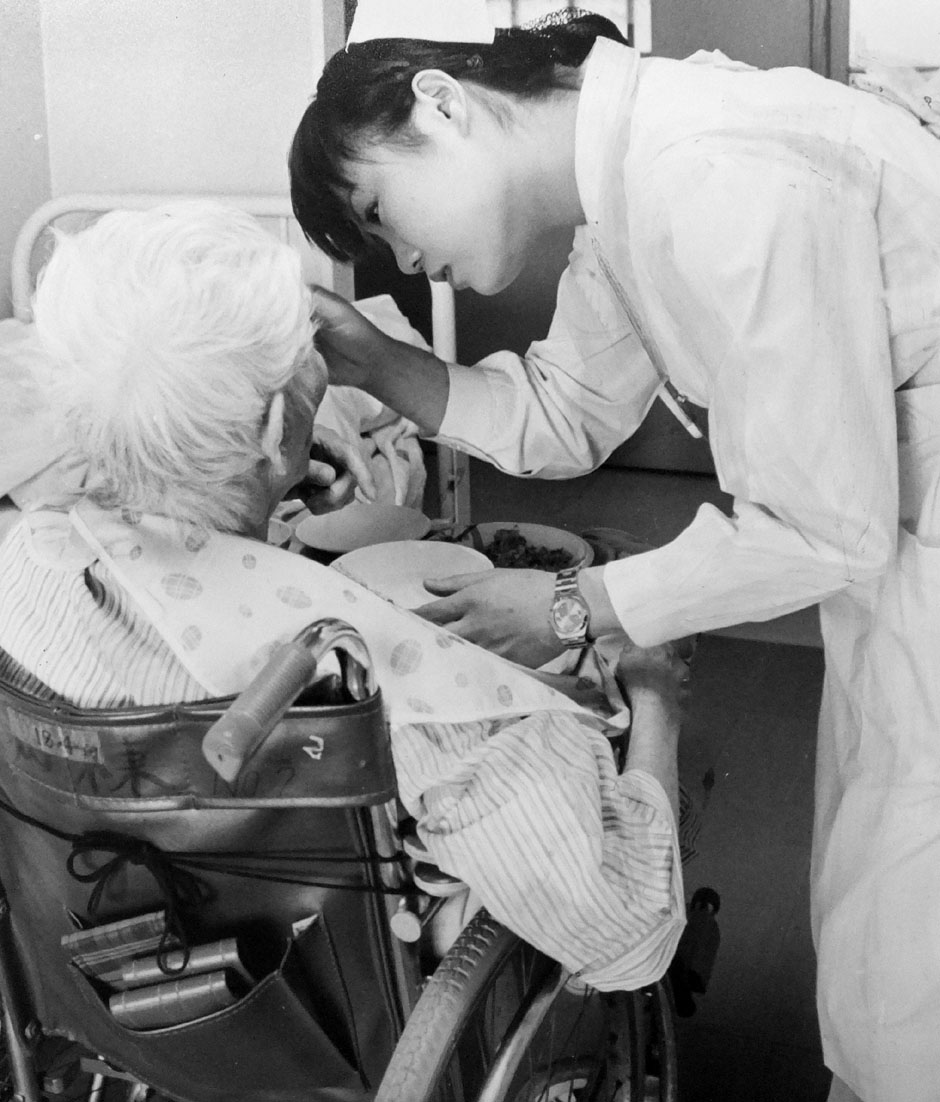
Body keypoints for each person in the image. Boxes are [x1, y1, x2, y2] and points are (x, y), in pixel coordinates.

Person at [287, 4, 940, 1100]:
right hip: (897, 551)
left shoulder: (717, 167)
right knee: (885, 895)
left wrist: (571, 604)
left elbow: (826, 523)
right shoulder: (635, 184)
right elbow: (564, 413)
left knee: (909, 919)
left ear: (440, 106)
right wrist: (377, 364)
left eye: (381, 214)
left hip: (898, 543)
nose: (405, 261)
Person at [0, 199, 691, 993]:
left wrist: (265, 488)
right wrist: (657, 697)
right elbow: (629, 931)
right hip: (342, 1005)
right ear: (272, 428)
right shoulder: (381, 695)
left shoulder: (26, 560)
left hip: (109, 979)